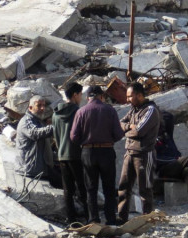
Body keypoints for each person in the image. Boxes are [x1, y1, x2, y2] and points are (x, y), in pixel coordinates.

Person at [70, 85, 125, 225]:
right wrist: (108, 139)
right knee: (109, 187)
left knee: (91, 188)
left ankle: (93, 219)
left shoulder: (81, 111)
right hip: (106, 151)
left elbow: (74, 136)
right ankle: (111, 218)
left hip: (88, 152)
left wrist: (86, 141)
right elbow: (119, 134)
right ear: (101, 96)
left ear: (88, 97)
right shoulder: (110, 110)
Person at [117, 82, 161, 222]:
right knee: (123, 187)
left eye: (130, 96)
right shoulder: (133, 110)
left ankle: (147, 219)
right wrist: (129, 126)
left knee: (145, 189)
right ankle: (122, 217)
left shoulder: (150, 110)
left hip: (143, 155)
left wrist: (126, 132)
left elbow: (140, 131)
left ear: (139, 95)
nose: (127, 99)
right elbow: (119, 123)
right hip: (129, 153)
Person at [51, 82, 88, 224]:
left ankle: (71, 219)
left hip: (61, 155)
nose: (81, 97)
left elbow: (55, 136)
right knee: (82, 187)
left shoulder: (55, 115)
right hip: (76, 155)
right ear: (75, 95)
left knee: (68, 190)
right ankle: (88, 217)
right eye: (80, 94)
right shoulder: (78, 113)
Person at [15, 95, 56, 183]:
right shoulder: (26, 121)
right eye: (39, 105)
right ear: (30, 107)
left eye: (43, 105)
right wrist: (55, 127)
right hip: (31, 169)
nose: (42, 108)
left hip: (41, 168)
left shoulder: (38, 121)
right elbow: (35, 133)